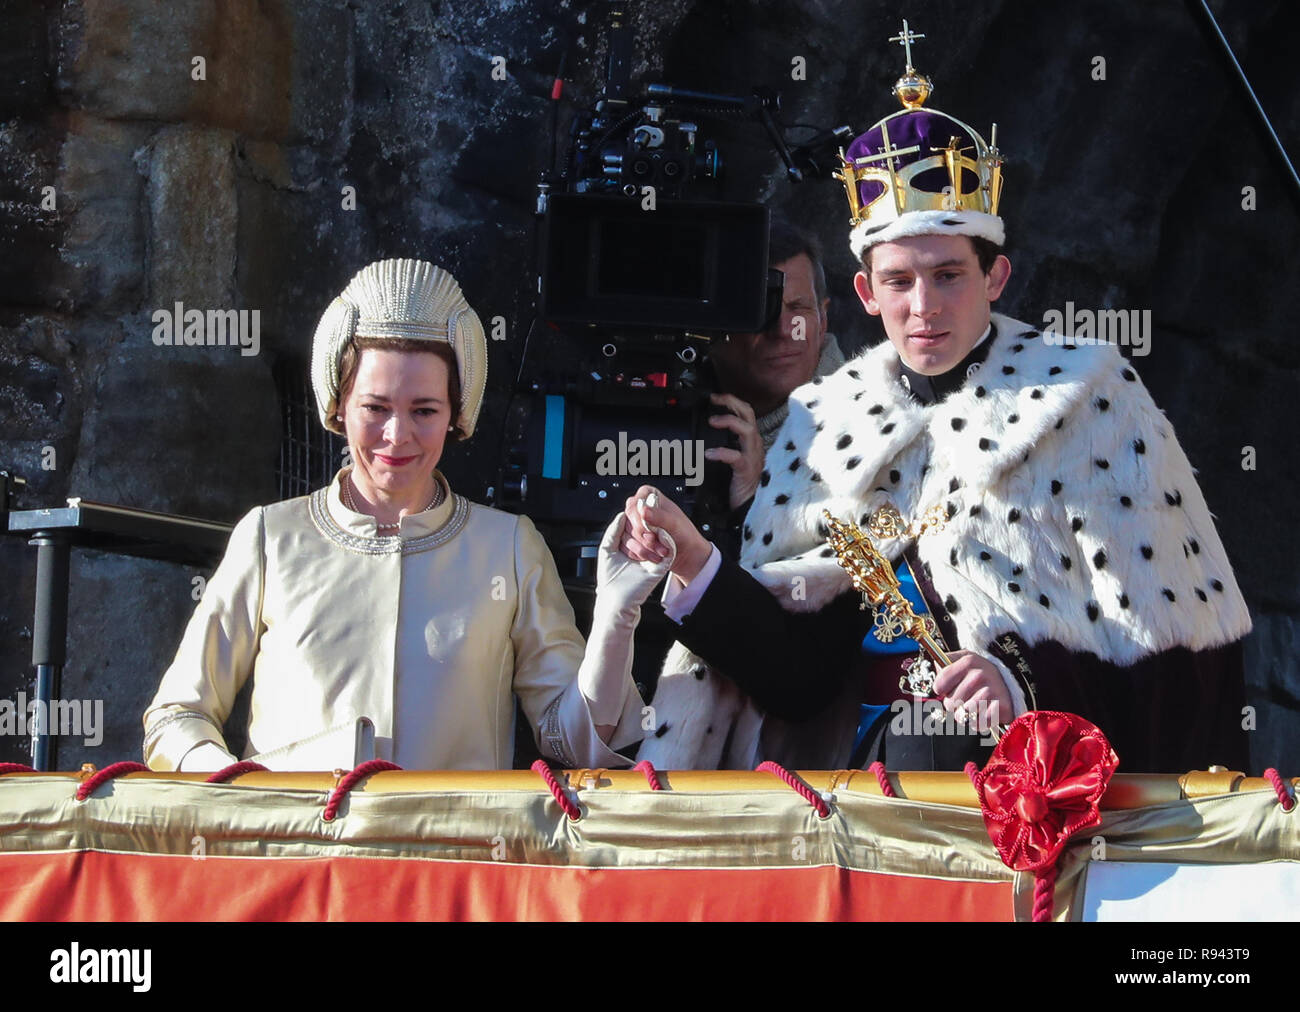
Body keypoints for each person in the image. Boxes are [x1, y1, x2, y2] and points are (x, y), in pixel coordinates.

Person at [626, 28, 1252, 774]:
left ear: (996, 278)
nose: (924, 306)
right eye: (899, 281)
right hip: (873, 808)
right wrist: (701, 569)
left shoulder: (1090, 401)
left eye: (949, 274)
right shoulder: (824, 425)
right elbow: (799, 682)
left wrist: (1024, 690)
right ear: (865, 293)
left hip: (1027, 809)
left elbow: (1179, 666)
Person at [144, 258, 673, 772]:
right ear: (338, 405)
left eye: (424, 410)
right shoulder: (269, 537)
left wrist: (617, 613)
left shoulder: (509, 545)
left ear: (455, 415)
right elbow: (176, 717)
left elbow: (575, 743)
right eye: (375, 408)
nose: (397, 436)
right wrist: (230, 784)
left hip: (451, 860)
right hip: (302, 858)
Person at [701, 221, 846, 547]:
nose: (783, 329)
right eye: (758, 309)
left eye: (798, 308)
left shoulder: (874, 430)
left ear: (822, 320)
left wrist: (754, 506)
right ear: (710, 327)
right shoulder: (670, 414)